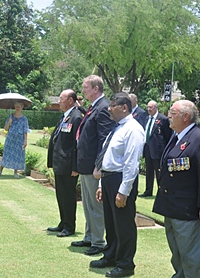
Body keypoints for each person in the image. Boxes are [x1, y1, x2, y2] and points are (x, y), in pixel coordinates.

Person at [153, 100, 200, 278]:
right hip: (172, 206)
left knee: (192, 256)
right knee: (178, 254)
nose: (168, 117)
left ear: (186, 117)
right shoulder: (177, 136)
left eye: (173, 113)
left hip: (188, 209)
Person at [90, 92, 145, 278]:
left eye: (112, 105)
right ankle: (111, 255)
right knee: (111, 223)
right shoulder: (117, 128)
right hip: (108, 179)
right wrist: (100, 184)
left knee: (123, 224)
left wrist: (124, 191)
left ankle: (125, 264)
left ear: (124, 107)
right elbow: (108, 157)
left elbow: (131, 163)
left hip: (121, 180)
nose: (109, 108)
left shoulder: (133, 129)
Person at [72, 75, 115, 256]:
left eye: (86, 87)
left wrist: (99, 165)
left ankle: (98, 242)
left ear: (96, 88)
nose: (83, 91)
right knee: (87, 204)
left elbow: (104, 140)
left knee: (95, 207)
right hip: (85, 165)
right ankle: (90, 236)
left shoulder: (103, 107)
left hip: (93, 167)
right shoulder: (95, 106)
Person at [46, 89, 82, 237]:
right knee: (61, 195)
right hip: (60, 164)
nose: (59, 101)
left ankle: (69, 226)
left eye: (62, 99)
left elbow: (77, 144)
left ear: (71, 101)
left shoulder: (76, 117)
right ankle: (63, 222)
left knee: (68, 196)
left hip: (68, 166)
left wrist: (75, 167)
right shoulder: (65, 117)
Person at [140, 100, 172, 197]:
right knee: (149, 171)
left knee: (159, 172)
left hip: (158, 150)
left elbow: (168, 135)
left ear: (156, 108)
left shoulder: (163, 119)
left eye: (151, 107)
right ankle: (148, 191)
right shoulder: (147, 118)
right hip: (148, 148)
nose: (149, 109)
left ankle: (161, 192)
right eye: (148, 107)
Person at [0, 101, 29, 178]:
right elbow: (5, 129)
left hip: (19, 139)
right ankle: (0, 171)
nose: (17, 108)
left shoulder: (24, 119)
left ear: (22, 107)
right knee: (6, 154)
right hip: (10, 139)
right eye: (16, 106)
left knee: (17, 155)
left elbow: (25, 131)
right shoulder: (11, 117)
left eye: (19, 106)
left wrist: (25, 141)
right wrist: (9, 122)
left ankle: (15, 172)